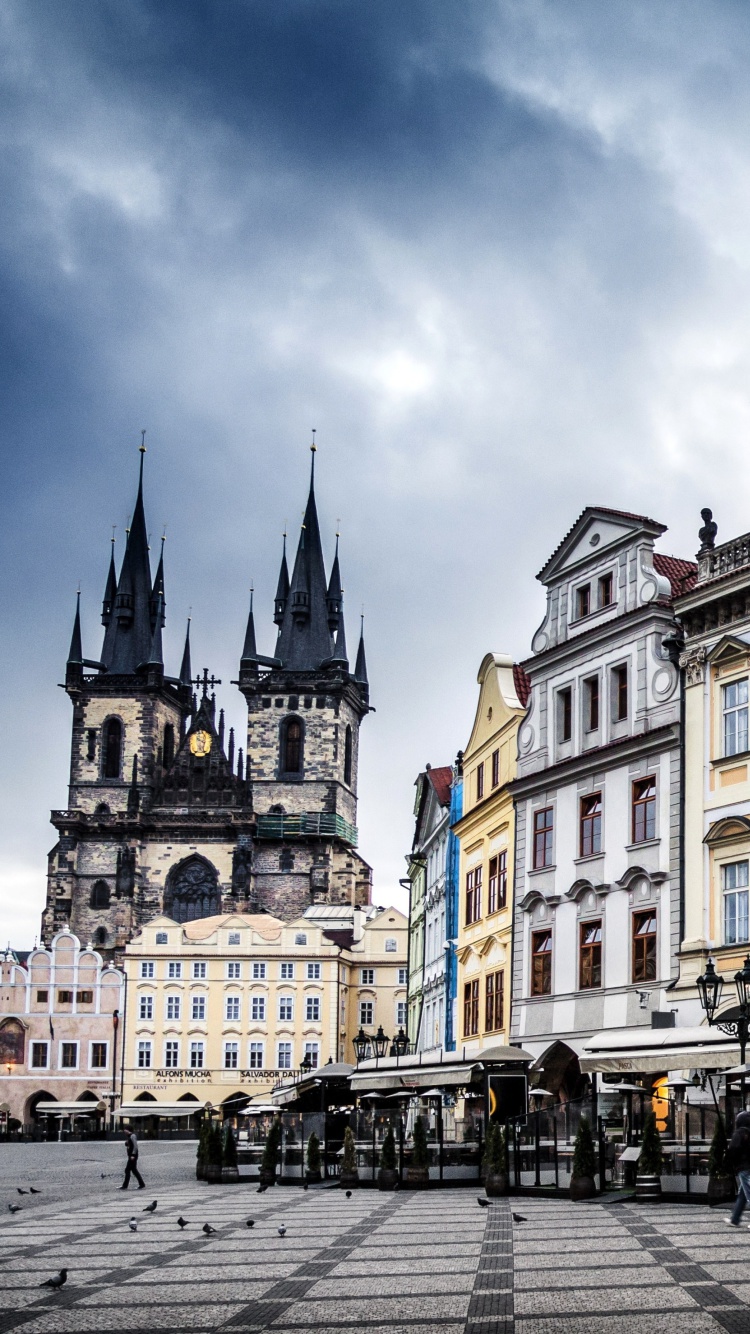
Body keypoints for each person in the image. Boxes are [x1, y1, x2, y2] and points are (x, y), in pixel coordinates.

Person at [726, 1110, 750, 1226]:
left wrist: (729, 1161)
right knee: (743, 1193)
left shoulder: (739, 1133)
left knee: (748, 1193)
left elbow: (733, 1149)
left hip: (743, 1167)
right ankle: (735, 1219)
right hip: (747, 1166)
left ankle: (735, 1219)